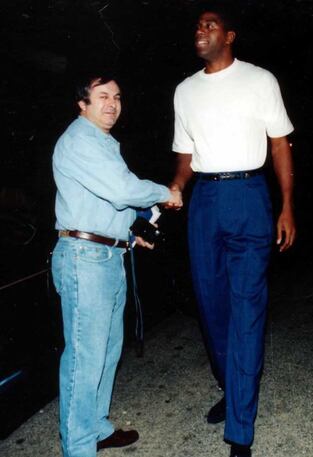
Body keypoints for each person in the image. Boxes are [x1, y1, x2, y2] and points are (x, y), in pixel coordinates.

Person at [170, 4, 295, 457]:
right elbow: (185, 154)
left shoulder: (260, 80)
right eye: (197, 25)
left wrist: (286, 207)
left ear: (230, 35)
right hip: (204, 200)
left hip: (248, 196)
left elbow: (280, 144)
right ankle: (233, 388)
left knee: (246, 308)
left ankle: (241, 428)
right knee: (212, 306)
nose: (200, 30)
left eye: (211, 24)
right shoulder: (185, 91)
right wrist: (178, 186)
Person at [51, 73, 182, 457]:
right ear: (82, 103)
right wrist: (166, 193)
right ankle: (78, 448)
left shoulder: (103, 143)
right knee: (83, 357)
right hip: (83, 259)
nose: (112, 103)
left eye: (118, 97)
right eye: (102, 96)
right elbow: (123, 189)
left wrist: (131, 232)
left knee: (108, 350)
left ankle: (96, 429)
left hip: (109, 254)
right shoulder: (79, 140)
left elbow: (109, 202)